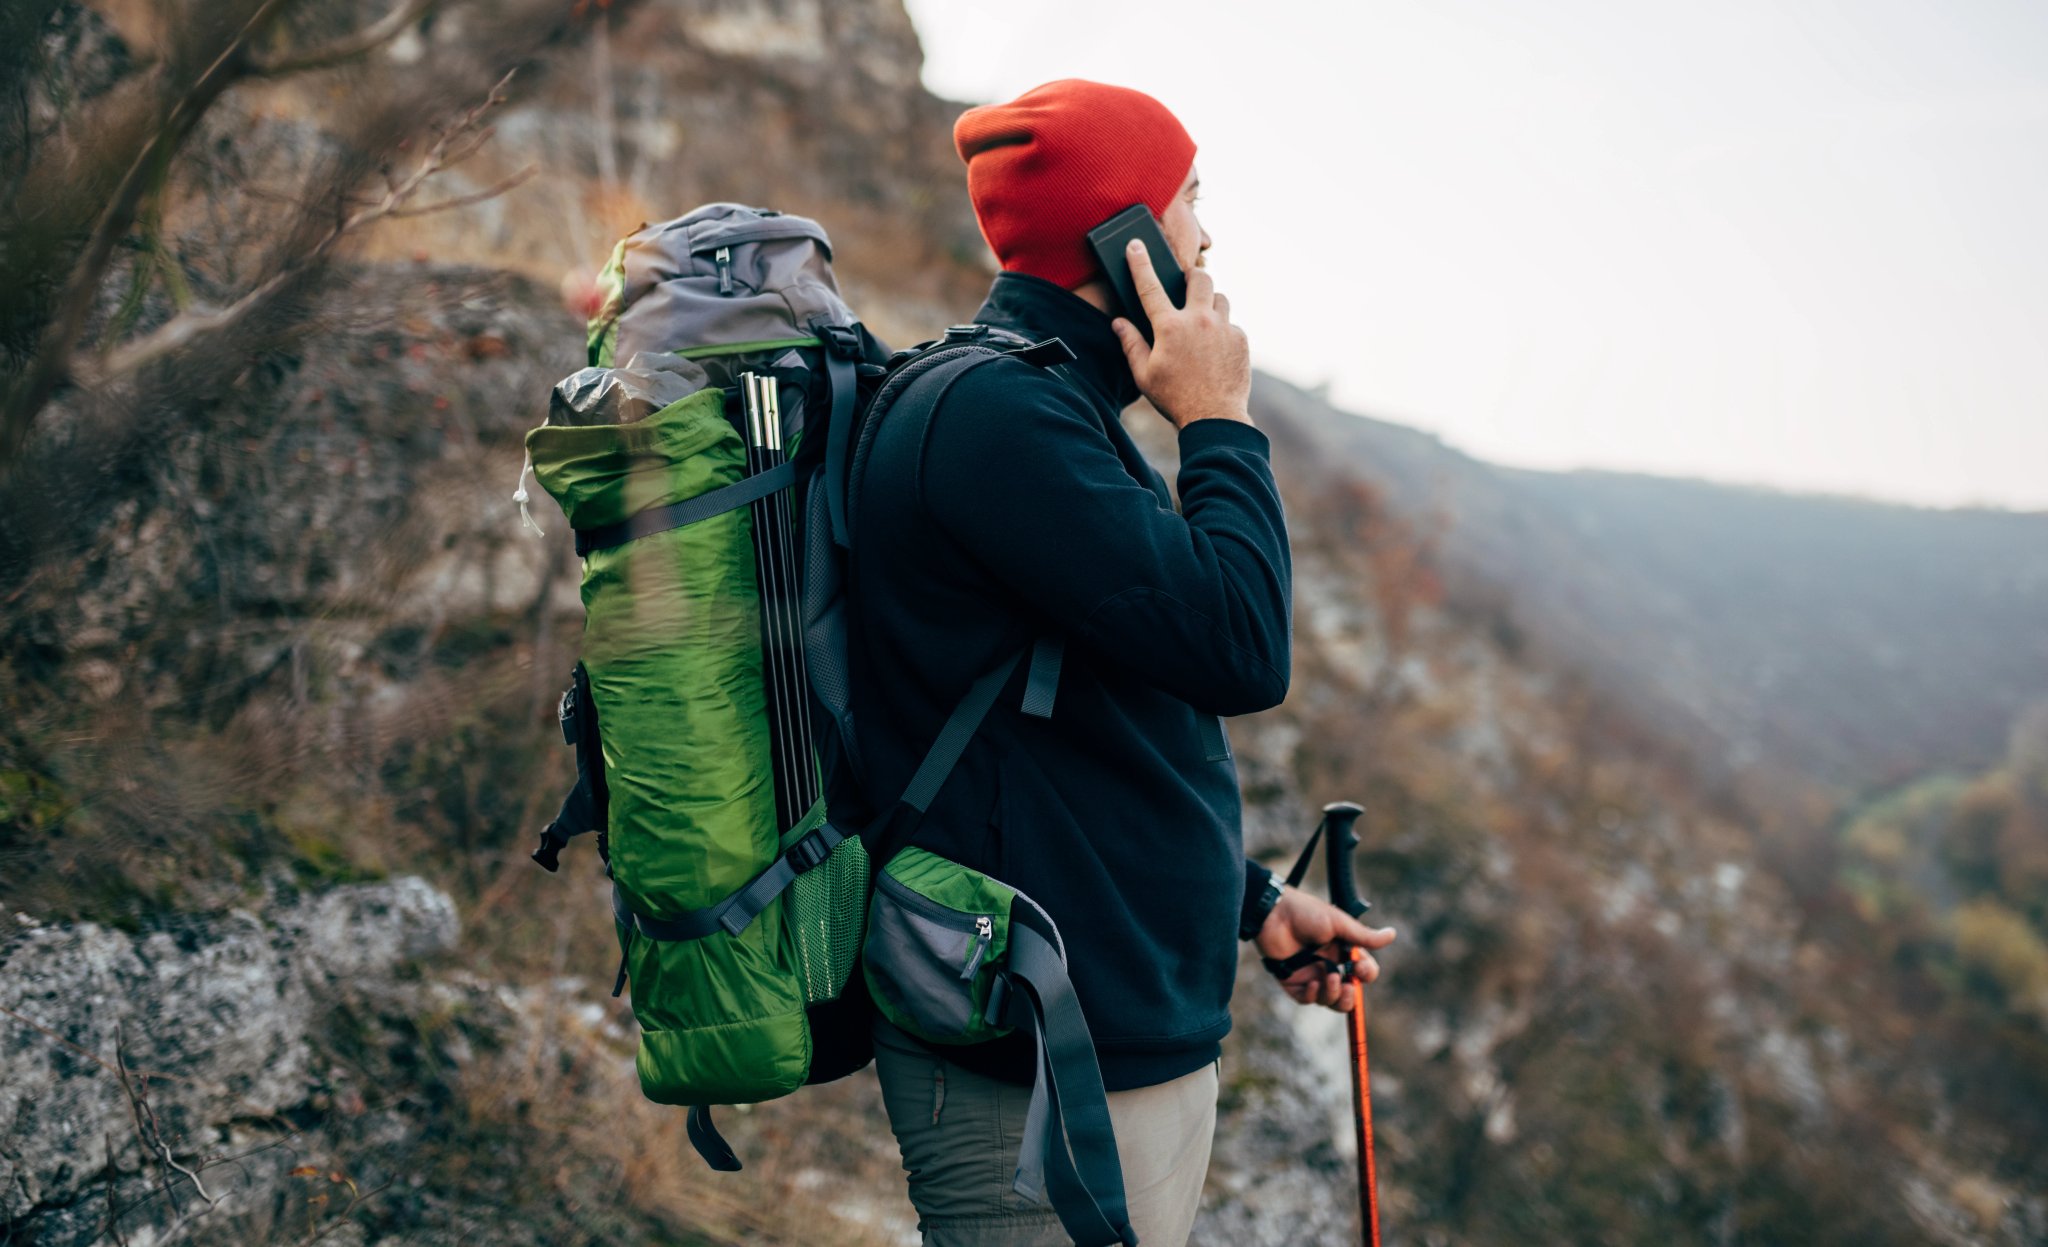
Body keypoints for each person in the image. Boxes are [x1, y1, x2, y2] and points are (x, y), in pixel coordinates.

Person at [849, 78, 1398, 1247]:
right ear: (1128, 239)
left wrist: (1250, 900)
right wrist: (1218, 418)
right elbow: (1240, 648)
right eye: (1189, 201)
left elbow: (1077, 725)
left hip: (1094, 1030)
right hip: (1043, 1053)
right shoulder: (1004, 421)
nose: (1207, 234)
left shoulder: (1029, 411)